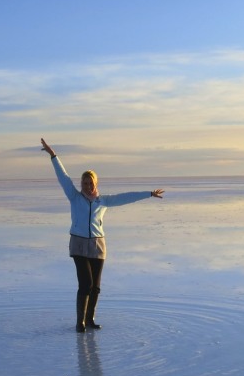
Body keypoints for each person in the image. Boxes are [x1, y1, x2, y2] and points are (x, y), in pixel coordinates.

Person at [40, 138, 164, 332]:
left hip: (98, 245)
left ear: (96, 183)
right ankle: (79, 321)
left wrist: (148, 194)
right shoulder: (74, 197)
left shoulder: (103, 201)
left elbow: (125, 197)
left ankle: (90, 319)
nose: (88, 186)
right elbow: (63, 177)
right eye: (85, 183)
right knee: (86, 283)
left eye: (91, 183)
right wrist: (53, 155)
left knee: (96, 287)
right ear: (81, 183)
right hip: (79, 245)